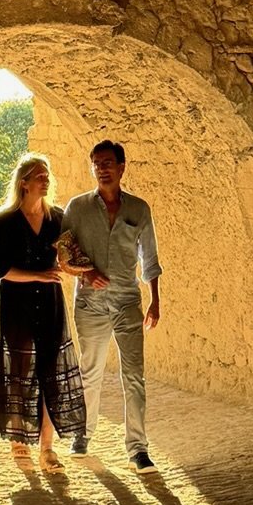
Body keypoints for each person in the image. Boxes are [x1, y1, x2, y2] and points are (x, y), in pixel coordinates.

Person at [62, 140, 162, 473]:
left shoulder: (139, 209)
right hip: (90, 303)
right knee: (89, 371)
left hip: (127, 300)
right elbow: (62, 254)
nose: (102, 168)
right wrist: (86, 273)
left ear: (121, 167)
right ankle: (82, 434)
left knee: (134, 375)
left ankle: (138, 449)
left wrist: (155, 301)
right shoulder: (76, 208)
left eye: (107, 162)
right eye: (96, 163)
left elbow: (150, 259)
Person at [0, 154, 87, 468]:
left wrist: (87, 269)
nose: (45, 179)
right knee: (19, 372)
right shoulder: (4, 220)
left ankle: (47, 448)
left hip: (50, 302)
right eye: (38, 175)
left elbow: (73, 256)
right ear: (24, 183)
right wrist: (39, 275)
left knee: (50, 374)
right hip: (16, 303)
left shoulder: (57, 217)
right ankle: (19, 444)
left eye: (47, 175)